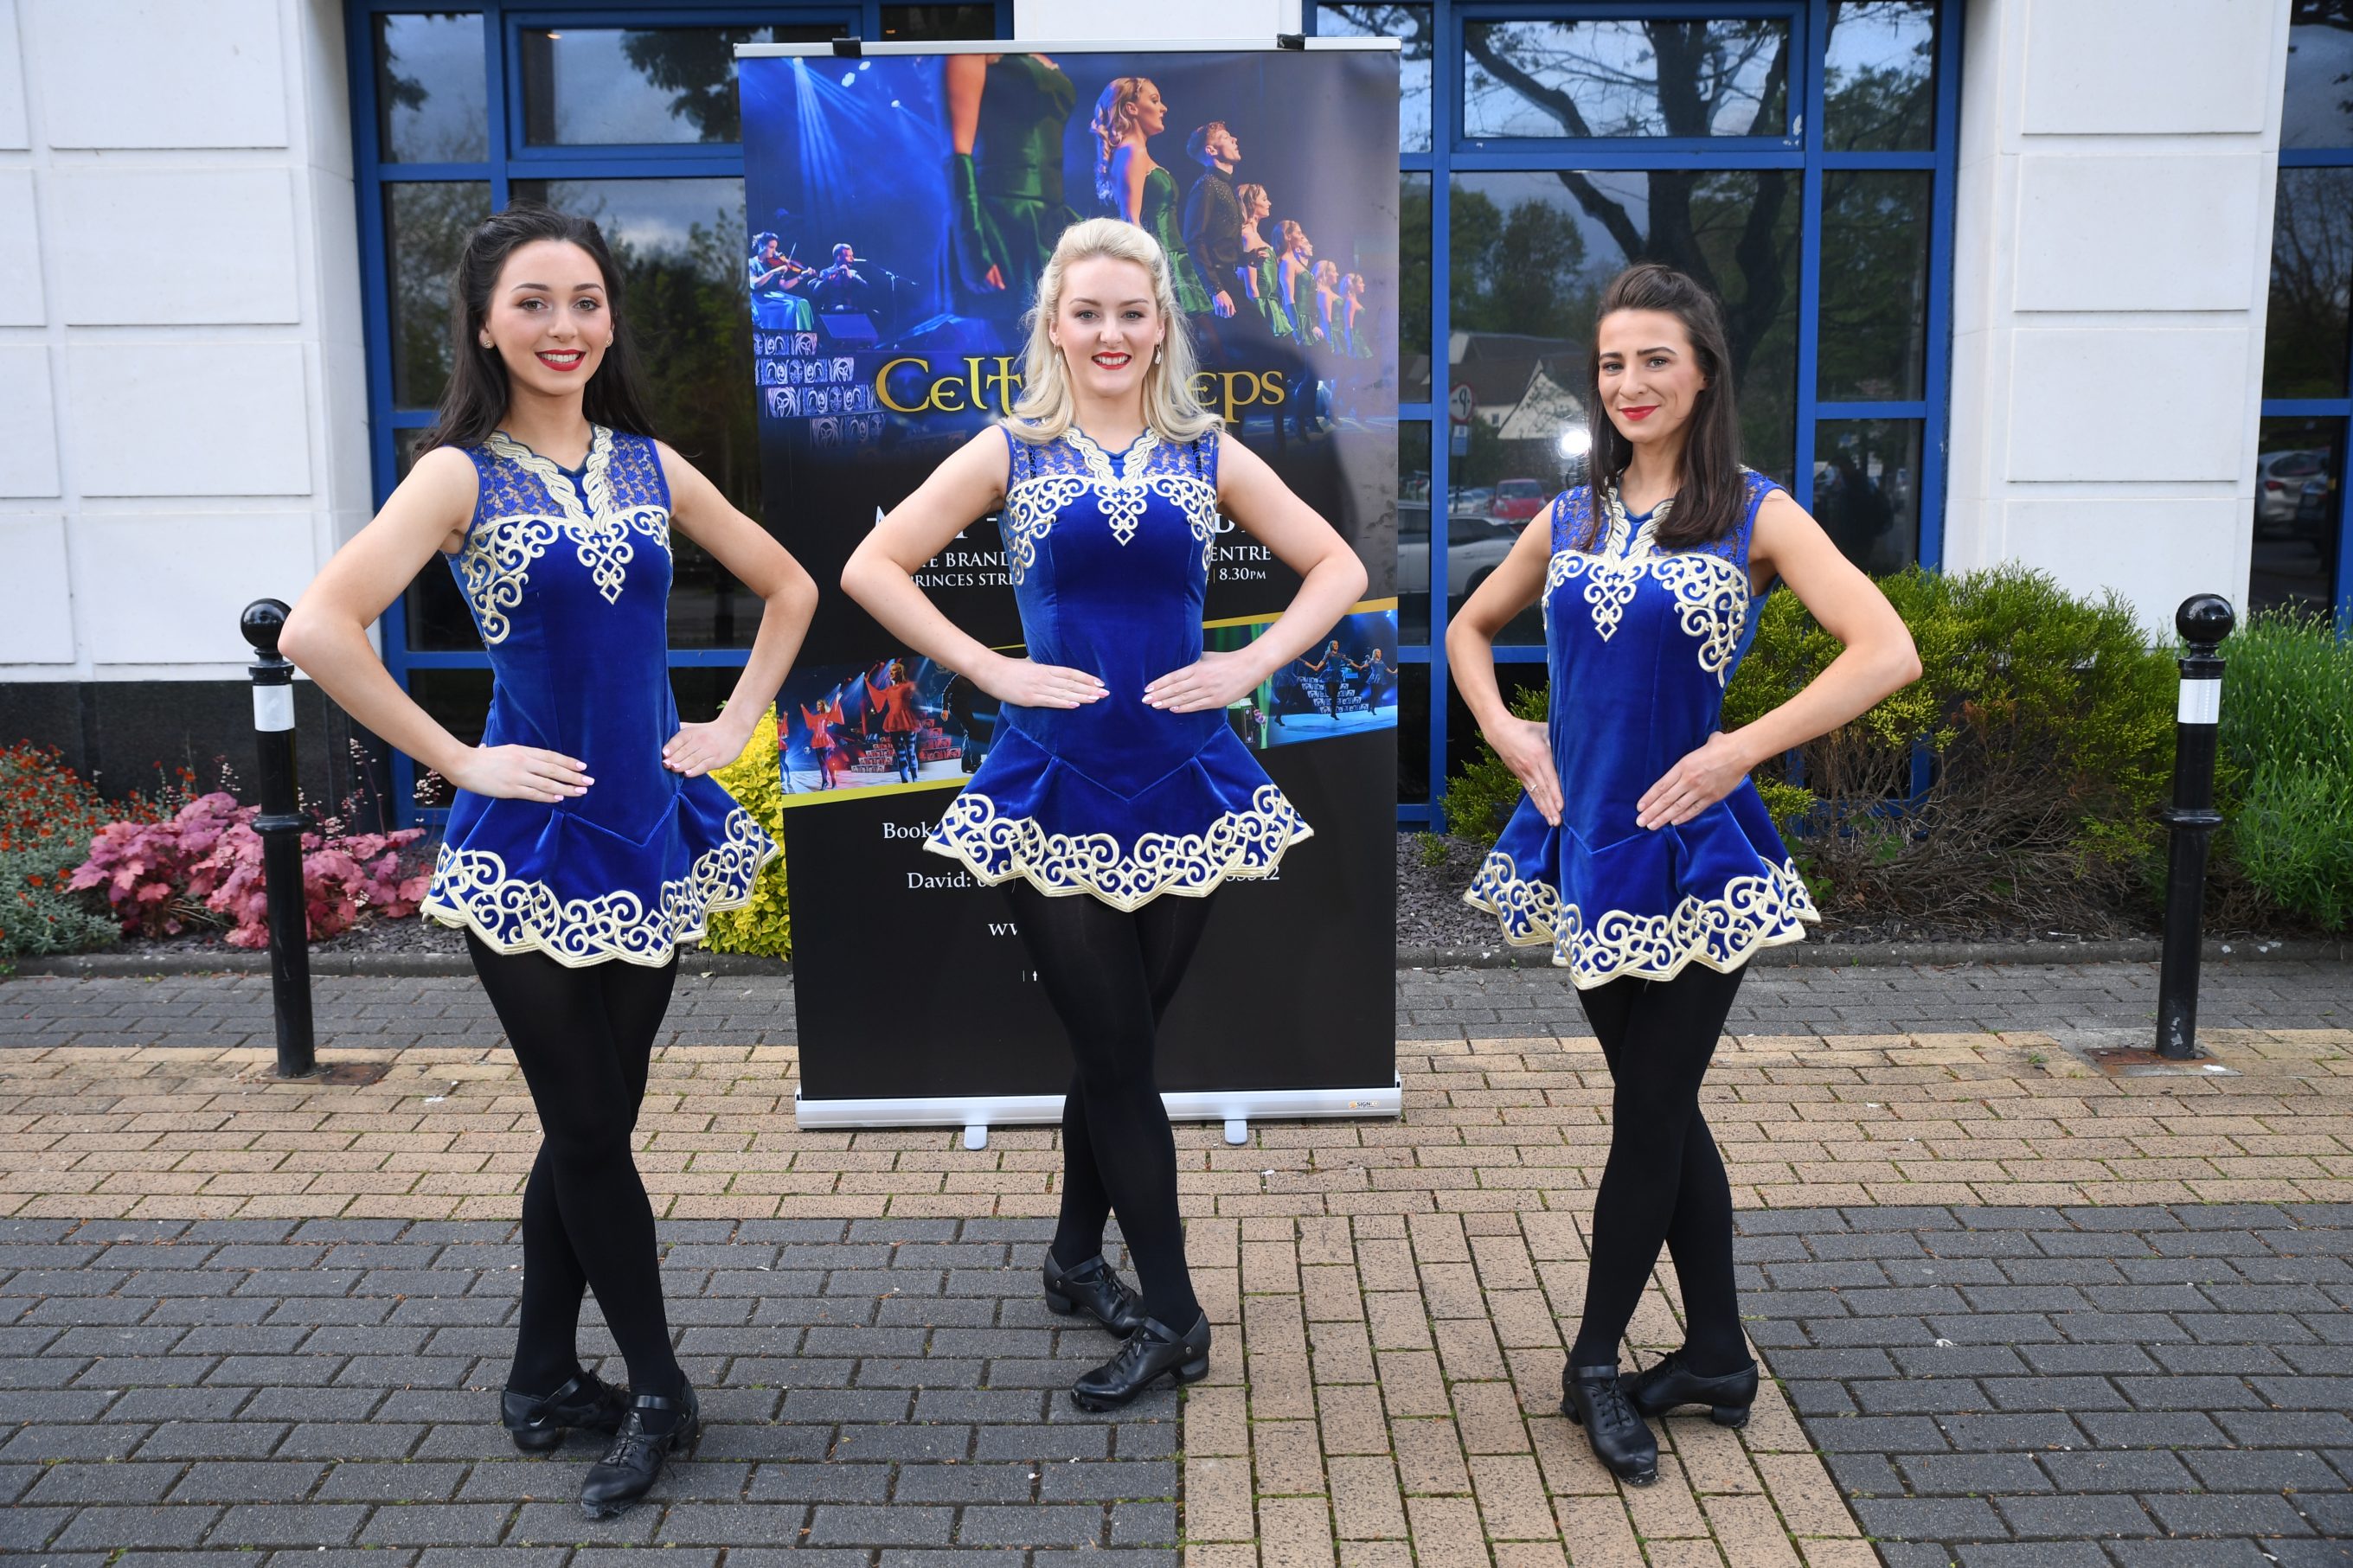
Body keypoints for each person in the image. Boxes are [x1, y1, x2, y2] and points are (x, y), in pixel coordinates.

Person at [278, 205, 818, 1519]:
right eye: (532, 302)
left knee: (593, 1128)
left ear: (609, 321)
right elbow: (318, 628)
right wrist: (459, 759)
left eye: (585, 300)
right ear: (483, 325)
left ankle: (538, 1376)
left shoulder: (650, 465)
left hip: (648, 835)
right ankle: (657, 1388)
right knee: (586, 1126)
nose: (563, 325)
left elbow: (791, 586)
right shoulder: (456, 477)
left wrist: (732, 724)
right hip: (526, 850)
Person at [841, 216, 1364, 1411]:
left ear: (1162, 324)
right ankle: (1174, 1312)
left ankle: (1077, 1255)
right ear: (1054, 326)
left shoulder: (1208, 450)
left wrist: (1251, 662)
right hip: (1055, 780)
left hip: (1185, 780)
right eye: (1088, 313)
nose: (1111, 333)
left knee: (1114, 1050)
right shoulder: (1010, 450)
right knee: (1122, 1058)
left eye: (1132, 312)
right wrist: (992, 668)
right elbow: (872, 566)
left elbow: (1336, 564)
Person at [1446, 262, 1920, 1486]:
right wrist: (1505, 730)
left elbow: (1886, 650)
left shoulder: (1756, 512)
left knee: (1649, 1109)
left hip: (1699, 854)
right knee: (1663, 1105)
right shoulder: (1569, 514)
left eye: (1654, 358)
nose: (1630, 382)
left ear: (1703, 371)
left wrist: (1738, 749)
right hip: (1585, 847)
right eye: (1612, 362)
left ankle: (1592, 1363)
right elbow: (1465, 627)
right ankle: (1716, 1354)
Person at [946, 52, 1077, 325]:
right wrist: (972, 248)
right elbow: (958, 154)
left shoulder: (1039, 52)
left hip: (1051, 218)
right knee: (1015, 332)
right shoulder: (972, 52)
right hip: (1003, 219)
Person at [1092, 77, 1212, 315]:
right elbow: (1131, 222)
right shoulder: (1131, 152)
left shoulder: (1135, 151)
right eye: (1154, 100)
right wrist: (1146, 276)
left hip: (1171, 256)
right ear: (1131, 108)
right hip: (1158, 260)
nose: (1163, 108)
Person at [1180, 121, 1243, 320]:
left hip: (1229, 279)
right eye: (1226, 137)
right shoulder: (1207, 185)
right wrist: (1216, 289)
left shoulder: (1224, 186)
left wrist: (1246, 259)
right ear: (1211, 150)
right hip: (1220, 283)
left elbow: (1221, 240)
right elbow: (1193, 240)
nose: (1235, 139)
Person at [1234, 184, 1292, 341]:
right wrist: (1259, 323)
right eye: (1264, 199)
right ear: (1251, 204)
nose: (1269, 203)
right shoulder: (1247, 237)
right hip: (1261, 308)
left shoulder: (1255, 235)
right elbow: (1251, 288)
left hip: (1271, 305)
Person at [866, 657, 924, 783]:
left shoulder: (908, 685)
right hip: (893, 722)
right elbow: (876, 694)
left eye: (894, 670)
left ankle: (915, 780)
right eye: (890, 671)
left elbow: (920, 699)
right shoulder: (888, 690)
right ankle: (905, 782)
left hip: (907, 721)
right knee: (900, 755)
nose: (890, 673)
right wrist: (867, 682)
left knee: (911, 752)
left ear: (900, 672)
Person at [747, 231, 816, 330]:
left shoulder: (772, 264)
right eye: (771, 247)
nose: (775, 252)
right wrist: (774, 272)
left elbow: (783, 286)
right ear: (761, 245)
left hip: (774, 296)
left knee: (802, 302)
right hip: (759, 300)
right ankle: (792, 335)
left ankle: (804, 336)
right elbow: (754, 284)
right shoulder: (752, 262)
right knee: (792, 305)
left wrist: (801, 276)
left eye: (775, 248)